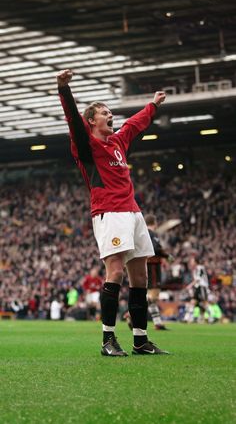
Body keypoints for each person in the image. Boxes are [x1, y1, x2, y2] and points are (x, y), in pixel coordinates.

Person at [57, 68, 169, 356]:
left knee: (140, 277)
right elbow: (72, 120)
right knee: (115, 271)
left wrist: (153, 105)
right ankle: (108, 340)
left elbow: (135, 124)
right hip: (109, 212)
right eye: (104, 112)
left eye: (110, 111)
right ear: (91, 121)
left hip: (133, 212)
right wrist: (64, 90)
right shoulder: (86, 145)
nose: (110, 115)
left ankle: (140, 341)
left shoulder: (118, 142)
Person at [125, 214, 174, 331]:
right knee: (154, 294)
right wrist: (167, 256)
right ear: (155, 223)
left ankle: (157, 323)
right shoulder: (152, 233)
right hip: (153, 266)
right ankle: (131, 313)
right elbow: (156, 248)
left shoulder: (140, 232)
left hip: (143, 264)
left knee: (149, 295)